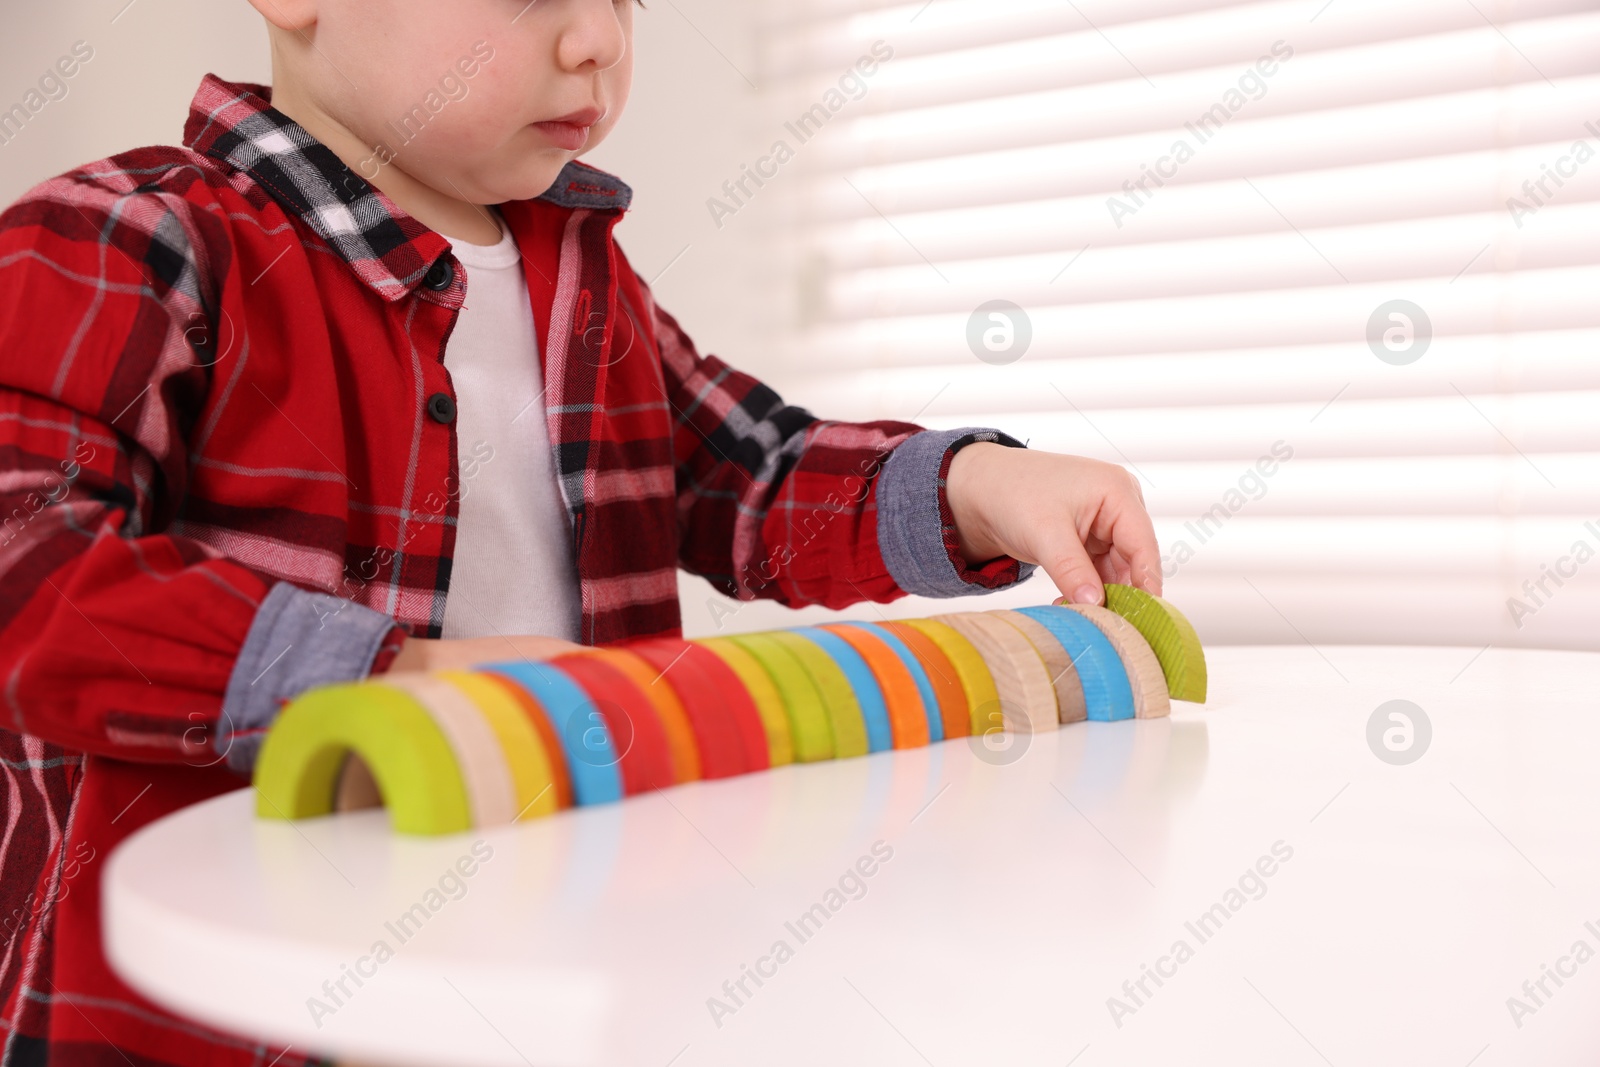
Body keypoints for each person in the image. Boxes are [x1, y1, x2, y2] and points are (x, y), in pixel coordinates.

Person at [0, 0, 1162, 1061]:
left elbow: (750, 474)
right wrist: (371, 675)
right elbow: (30, 578)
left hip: (553, 955)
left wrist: (970, 484)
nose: (599, 42)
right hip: (233, 1002)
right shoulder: (124, 237)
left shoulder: (586, 281)